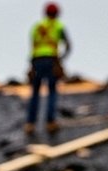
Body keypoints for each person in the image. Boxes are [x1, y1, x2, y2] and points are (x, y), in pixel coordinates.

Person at [25, 2, 71, 135]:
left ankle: (30, 124)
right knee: (51, 91)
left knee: (35, 93)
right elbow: (68, 45)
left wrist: (31, 66)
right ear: (57, 14)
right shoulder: (58, 26)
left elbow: (33, 46)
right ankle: (50, 122)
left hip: (36, 61)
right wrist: (61, 59)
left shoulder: (36, 27)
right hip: (51, 60)